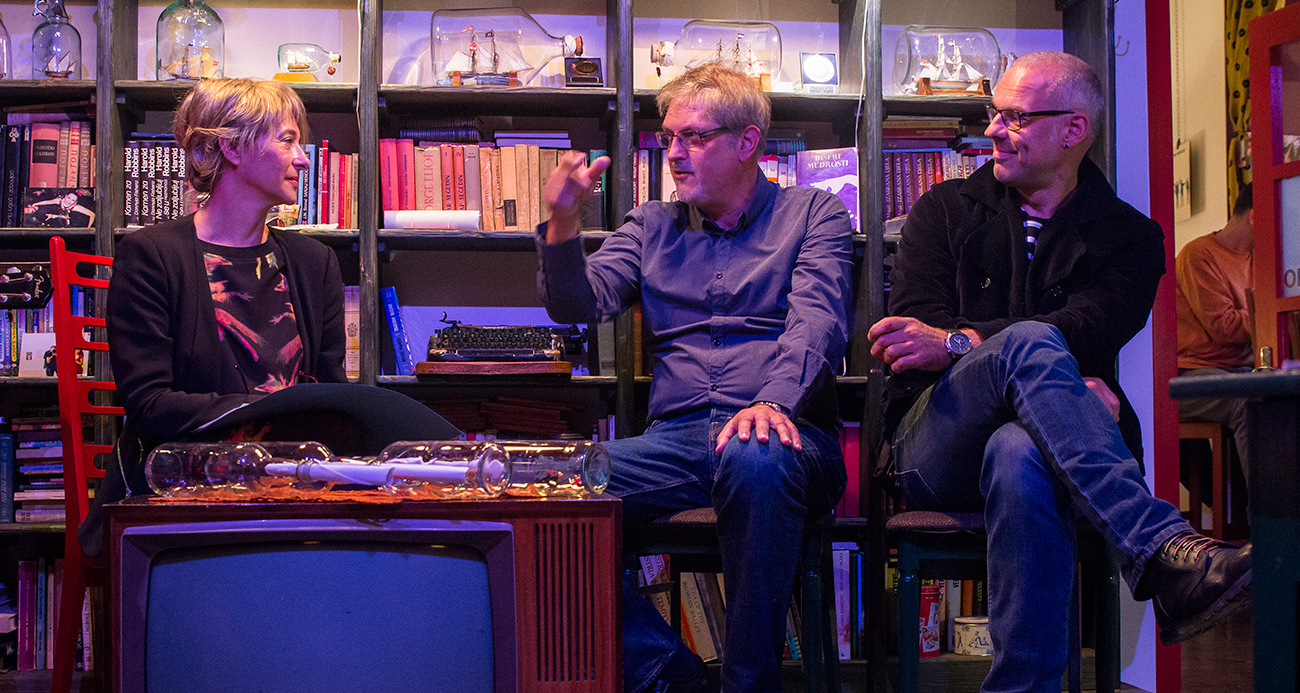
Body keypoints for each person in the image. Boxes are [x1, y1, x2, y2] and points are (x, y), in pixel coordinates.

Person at [867, 52, 1251, 692]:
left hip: (1053, 450)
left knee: (1020, 449)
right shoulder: (942, 210)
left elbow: (1090, 327)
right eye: (994, 112)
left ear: (1074, 129)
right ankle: (1162, 550)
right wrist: (1051, 372)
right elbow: (913, 334)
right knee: (1035, 342)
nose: (993, 130)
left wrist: (965, 344)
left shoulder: (1130, 237)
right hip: (935, 439)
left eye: (1015, 117)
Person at [537, 64, 852, 693]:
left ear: (748, 142)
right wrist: (563, 224)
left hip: (788, 437)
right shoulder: (650, 224)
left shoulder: (813, 213)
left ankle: (748, 686)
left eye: (694, 137)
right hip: (675, 444)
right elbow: (577, 305)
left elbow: (818, 322)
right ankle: (672, 676)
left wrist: (772, 402)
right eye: (669, 137)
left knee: (755, 454)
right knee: (545, 493)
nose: (674, 153)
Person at [82, 78, 347, 554]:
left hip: (293, 492)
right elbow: (150, 406)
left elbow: (331, 398)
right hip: (179, 493)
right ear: (231, 148)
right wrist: (271, 412)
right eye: (287, 140)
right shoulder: (152, 255)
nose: (303, 159)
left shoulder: (315, 263)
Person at [1174, 182, 1254, 483]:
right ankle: (1265, 509)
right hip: (1190, 373)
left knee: (1281, 395)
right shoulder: (1198, 254)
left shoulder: (1262, 258)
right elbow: (1225, 327)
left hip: (1240, 370)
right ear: (1256, 216)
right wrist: (1265, 314)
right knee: (1249, 401)